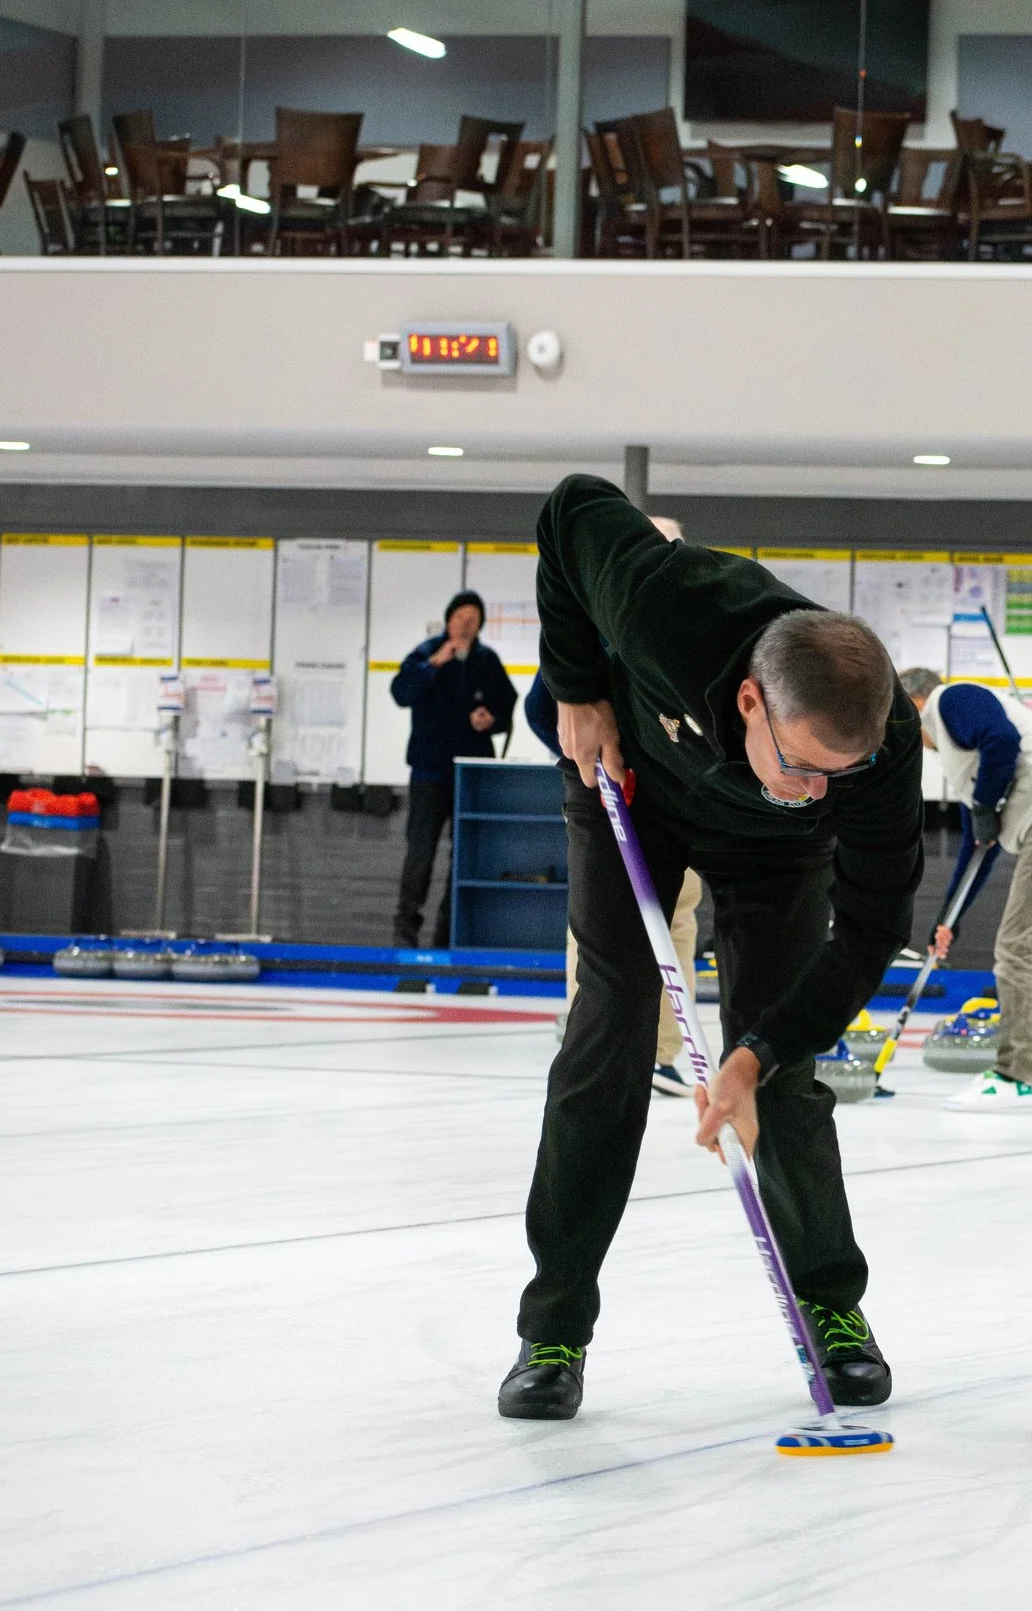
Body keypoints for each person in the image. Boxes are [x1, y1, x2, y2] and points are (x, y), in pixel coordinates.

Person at [502, 474, 922, 1423]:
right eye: (804, 764)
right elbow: (570, 509)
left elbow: (870, 931)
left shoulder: (881, 744)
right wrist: (576, 688)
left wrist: (755, 1050)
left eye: (840, 775)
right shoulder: (669, 604)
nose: (822, 786)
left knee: (787, 1075)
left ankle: (832, 1309)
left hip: (777, 860)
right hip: (635, 795)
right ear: (747, 701)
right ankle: (553, 1326)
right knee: (607, 1034)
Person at [529, 521, 707, 1099]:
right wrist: (589, 759)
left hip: (678, 799)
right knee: (598, 925)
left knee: (674, 915)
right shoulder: (586, 626)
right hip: (610, 798)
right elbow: (542, 708)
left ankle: (658, 1051)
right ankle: (601, 1045)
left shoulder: (681, 622)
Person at [900, 669, 1032, 1110]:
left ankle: (1011, 1075)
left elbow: (1002, 741)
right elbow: (978, 848)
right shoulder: (959, 753)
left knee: (1016, 949)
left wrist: (984, 804)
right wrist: (948, 921)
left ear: (912, 704)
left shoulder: (949, 700)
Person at [390, 590, 518, 949]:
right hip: (429, 773)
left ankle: (447, 936)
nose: (466, 625)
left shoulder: (486, 660)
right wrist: (434, 663)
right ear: (448, 621)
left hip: (471, 776)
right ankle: (405, 932)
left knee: (463, 856)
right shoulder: (426, 653)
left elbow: (507, 707)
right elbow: (401, 693)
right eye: (460, 618)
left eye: (473, 620)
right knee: (420, 854)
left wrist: (490, 720)